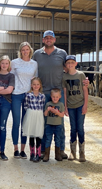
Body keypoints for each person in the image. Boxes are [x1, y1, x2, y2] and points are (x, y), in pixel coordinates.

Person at [33, 30, 89, 159]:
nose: (48, 40)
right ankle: (43, 150)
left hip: (59, 92)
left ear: (54, 40)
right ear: (43, 40)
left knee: (60, 122)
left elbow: (69, 68)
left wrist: (83, 78)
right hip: (43, 92)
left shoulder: (62, 53)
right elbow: (33, 69)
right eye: (46, 38)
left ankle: (61, 150)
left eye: (50, 38)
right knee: (44, 121)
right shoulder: (37, 54)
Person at [10, 42, 38, 159]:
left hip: (28, 95)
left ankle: (23, 149)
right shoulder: (14, 62)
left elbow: (35, 79)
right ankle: (15, 148)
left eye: (27, 49)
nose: (25, 51)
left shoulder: (34, 64)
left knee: (25, 123)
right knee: (16, 122)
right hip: (16, 94)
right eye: (23, 50)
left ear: (30, 50)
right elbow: (10, 77)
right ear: (20, 51)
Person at [62, 55, 88, 162]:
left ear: (76, 64)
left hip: (80, 105)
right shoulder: (64, 77)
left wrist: (85, 105)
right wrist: (65, 107)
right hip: (71, 106)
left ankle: (82, 152)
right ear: (66, 65)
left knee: (80, 128)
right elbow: (64, 92)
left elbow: (85, 90)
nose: (70, 64)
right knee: (73, 128)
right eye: (68, 63)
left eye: (72, 62)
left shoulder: (81, 75)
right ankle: (72, 152)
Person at [22, 77, 45, 162]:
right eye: (34, 84)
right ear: (31, 85)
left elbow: (42, 106)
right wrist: (29, 112)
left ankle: (38, 154)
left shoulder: (42, 96)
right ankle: (32, 154)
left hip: (39, 115)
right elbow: (25, 105)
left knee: (38, 134)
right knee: (31, 134)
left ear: (40, 85)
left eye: (37, 84)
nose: (36, 86)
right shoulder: (28, 95)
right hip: (31, 114)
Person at [43, 88, 65, 162]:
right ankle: (46, 155)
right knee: (48, 139)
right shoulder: (48, 104)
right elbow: (45, 114)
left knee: (58, 139)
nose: (55, 98)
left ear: (60, 97)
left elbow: (62, 115)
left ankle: (57, 154)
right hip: (49, 125)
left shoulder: (61, 105)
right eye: (53, 97)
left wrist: (57, 112)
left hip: (58, 125)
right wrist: (47, 110)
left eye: (56, 97)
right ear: (51, 96)